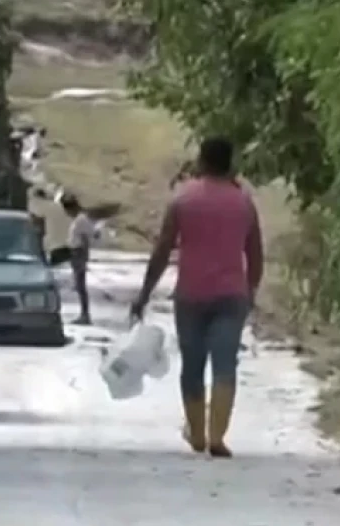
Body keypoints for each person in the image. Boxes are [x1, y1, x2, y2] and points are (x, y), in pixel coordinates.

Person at [130, 136, 263, 459]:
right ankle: (218, 435)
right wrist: (251, 292)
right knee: (225, 364)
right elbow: (256, 254)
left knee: (193, 365)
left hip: (191, 295)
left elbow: (162, 250)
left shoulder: (182, 199)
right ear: (230, 163)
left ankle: (198, 434)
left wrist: (145, 293)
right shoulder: (243, 203)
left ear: (201, 161)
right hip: (232, 295)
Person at [61, 193, 93, 325]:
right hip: (75, 253)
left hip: (79, 253)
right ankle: (83, 314)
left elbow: (85, 240)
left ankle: (85, 315)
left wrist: (84, 259)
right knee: (78, 285)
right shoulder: (77, 219)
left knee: (81, 286)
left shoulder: (81, 220)